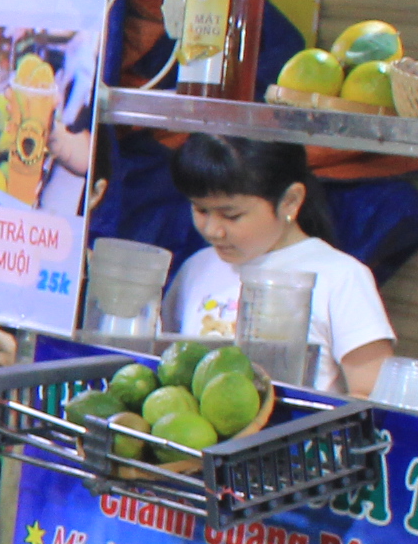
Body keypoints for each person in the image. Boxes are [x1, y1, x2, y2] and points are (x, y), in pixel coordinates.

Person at [163, 135, 393, 395]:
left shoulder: (341, 277)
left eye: (231, 215)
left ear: (290, 200)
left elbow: (372, 395)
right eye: (201, 210)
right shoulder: (197, 268)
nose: (213, 230)